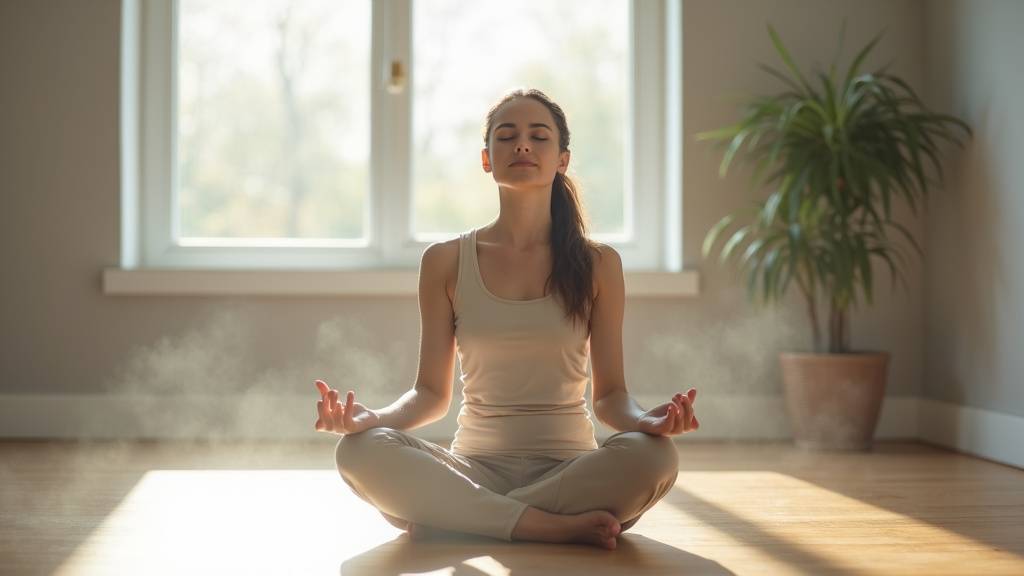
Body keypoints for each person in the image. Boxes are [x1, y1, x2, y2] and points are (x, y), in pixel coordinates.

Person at [313, 88, 699, 550]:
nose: (522, 145)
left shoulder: (599, 264)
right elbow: (431, 395)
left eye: (539, 136)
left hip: (569, 470)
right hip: (472, 469)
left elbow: (611, 398)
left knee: (654, 456)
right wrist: (373, 417)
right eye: (507, 136)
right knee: (358, 449)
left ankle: (461, 519)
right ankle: (546, 526)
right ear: (485, 158)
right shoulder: (445, 261)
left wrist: (646, 421)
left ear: (562, 160)